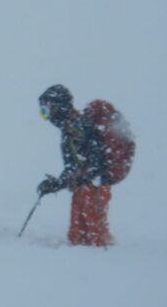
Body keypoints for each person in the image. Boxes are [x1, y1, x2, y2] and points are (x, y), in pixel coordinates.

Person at [37, 84, 116, 247]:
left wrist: (89, 175)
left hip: (94, 189)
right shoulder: (68, 131)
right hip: (83, 189)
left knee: (96, 238)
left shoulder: (81, 126)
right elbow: (72, 167)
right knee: (77, 238)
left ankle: (109, 265)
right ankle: (82, 266)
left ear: (58, 108)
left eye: (45, 111)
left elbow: (97, 157)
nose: (46, 117)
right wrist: (56, 184)